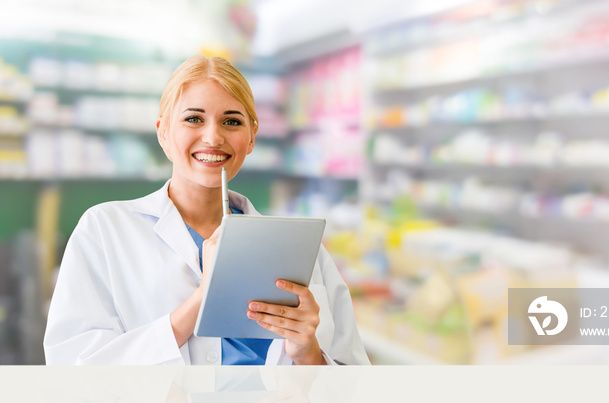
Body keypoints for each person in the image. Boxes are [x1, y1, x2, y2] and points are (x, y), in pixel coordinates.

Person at [43, 55, 370, 365]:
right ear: (163, 132)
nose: (213, 137)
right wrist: (204, 296)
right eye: (193, 119)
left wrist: (307, 352)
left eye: (232, 121)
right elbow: (75, 368)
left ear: (252, 137)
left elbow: (353, 380)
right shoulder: (105, 230)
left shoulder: (303, 250)